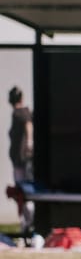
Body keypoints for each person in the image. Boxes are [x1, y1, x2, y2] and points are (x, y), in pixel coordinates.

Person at [7, 86, 34, 234]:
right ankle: (25, 224)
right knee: (20, 194)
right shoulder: (17, 113)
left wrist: (29, 143)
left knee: (25, 193)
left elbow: (28, 125)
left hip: (23, 160)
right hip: (18, 160)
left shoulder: (22, 113)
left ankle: (28, 223)